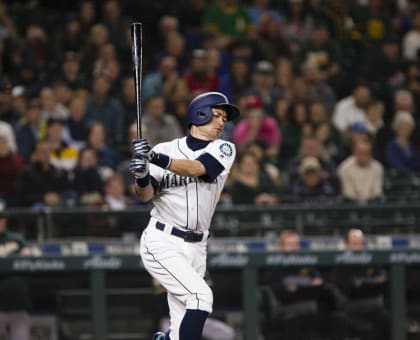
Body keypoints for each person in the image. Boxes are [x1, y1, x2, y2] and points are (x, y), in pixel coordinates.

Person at [129, 92, 240, 340]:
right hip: (162, 240)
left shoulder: (224, 148)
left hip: (197, 247)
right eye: (217, 115)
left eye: (224, 118)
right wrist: (141, 175)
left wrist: (153, 158)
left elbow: (198, 169)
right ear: (200, 113)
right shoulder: (165, 148)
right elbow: (145, 195)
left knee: (181, 329)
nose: (222, 122)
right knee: (201, 297)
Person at [261, 229, 348, 340]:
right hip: (286, 307)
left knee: (337, 317)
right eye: (290, 245)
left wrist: (298, 288)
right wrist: (308, 287)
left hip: (312, 304)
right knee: (311, 308)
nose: (294, 248)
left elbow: (320, 284)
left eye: (296, 244)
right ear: (282, 247)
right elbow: (283, 294)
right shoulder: (275, 266)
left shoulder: (305, 263)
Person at [332, 228, 390, 340]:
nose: (358, 247)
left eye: (361, 243)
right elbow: (349, 288)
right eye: (355, 244)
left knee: (387, 318)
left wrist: (362, 282)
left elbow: (383, 281)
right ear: (347, 244)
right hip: (351, 306)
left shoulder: (370, 260)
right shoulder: (341, 262)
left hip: (375, 304)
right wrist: (371, 282)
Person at [0, 198, 31, 340]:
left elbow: (29, 257)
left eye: (3, 218)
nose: (1, 222)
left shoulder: (17, 239)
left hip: (18, 306)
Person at [337, 140, 384, 204]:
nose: (363, 156)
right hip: (351, 204)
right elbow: (348, 194)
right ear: (354, 153)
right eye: (361, 153)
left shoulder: (377, 167)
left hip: (372, 205)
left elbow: (377, 192)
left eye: (366, 153)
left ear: (371, 154)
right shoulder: (345, 168)